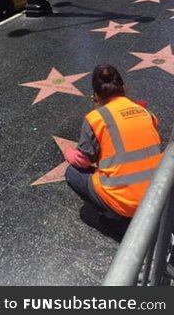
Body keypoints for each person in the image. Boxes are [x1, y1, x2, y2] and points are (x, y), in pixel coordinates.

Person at [63, 64, 162, 240]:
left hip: (125, 203)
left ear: (96, 95)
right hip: (156, 196)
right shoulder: (146, 112)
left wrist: (68, 153)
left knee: (72, 173)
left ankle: (115, 218)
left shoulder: (95, 118)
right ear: (124, 87)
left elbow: (83, 161)